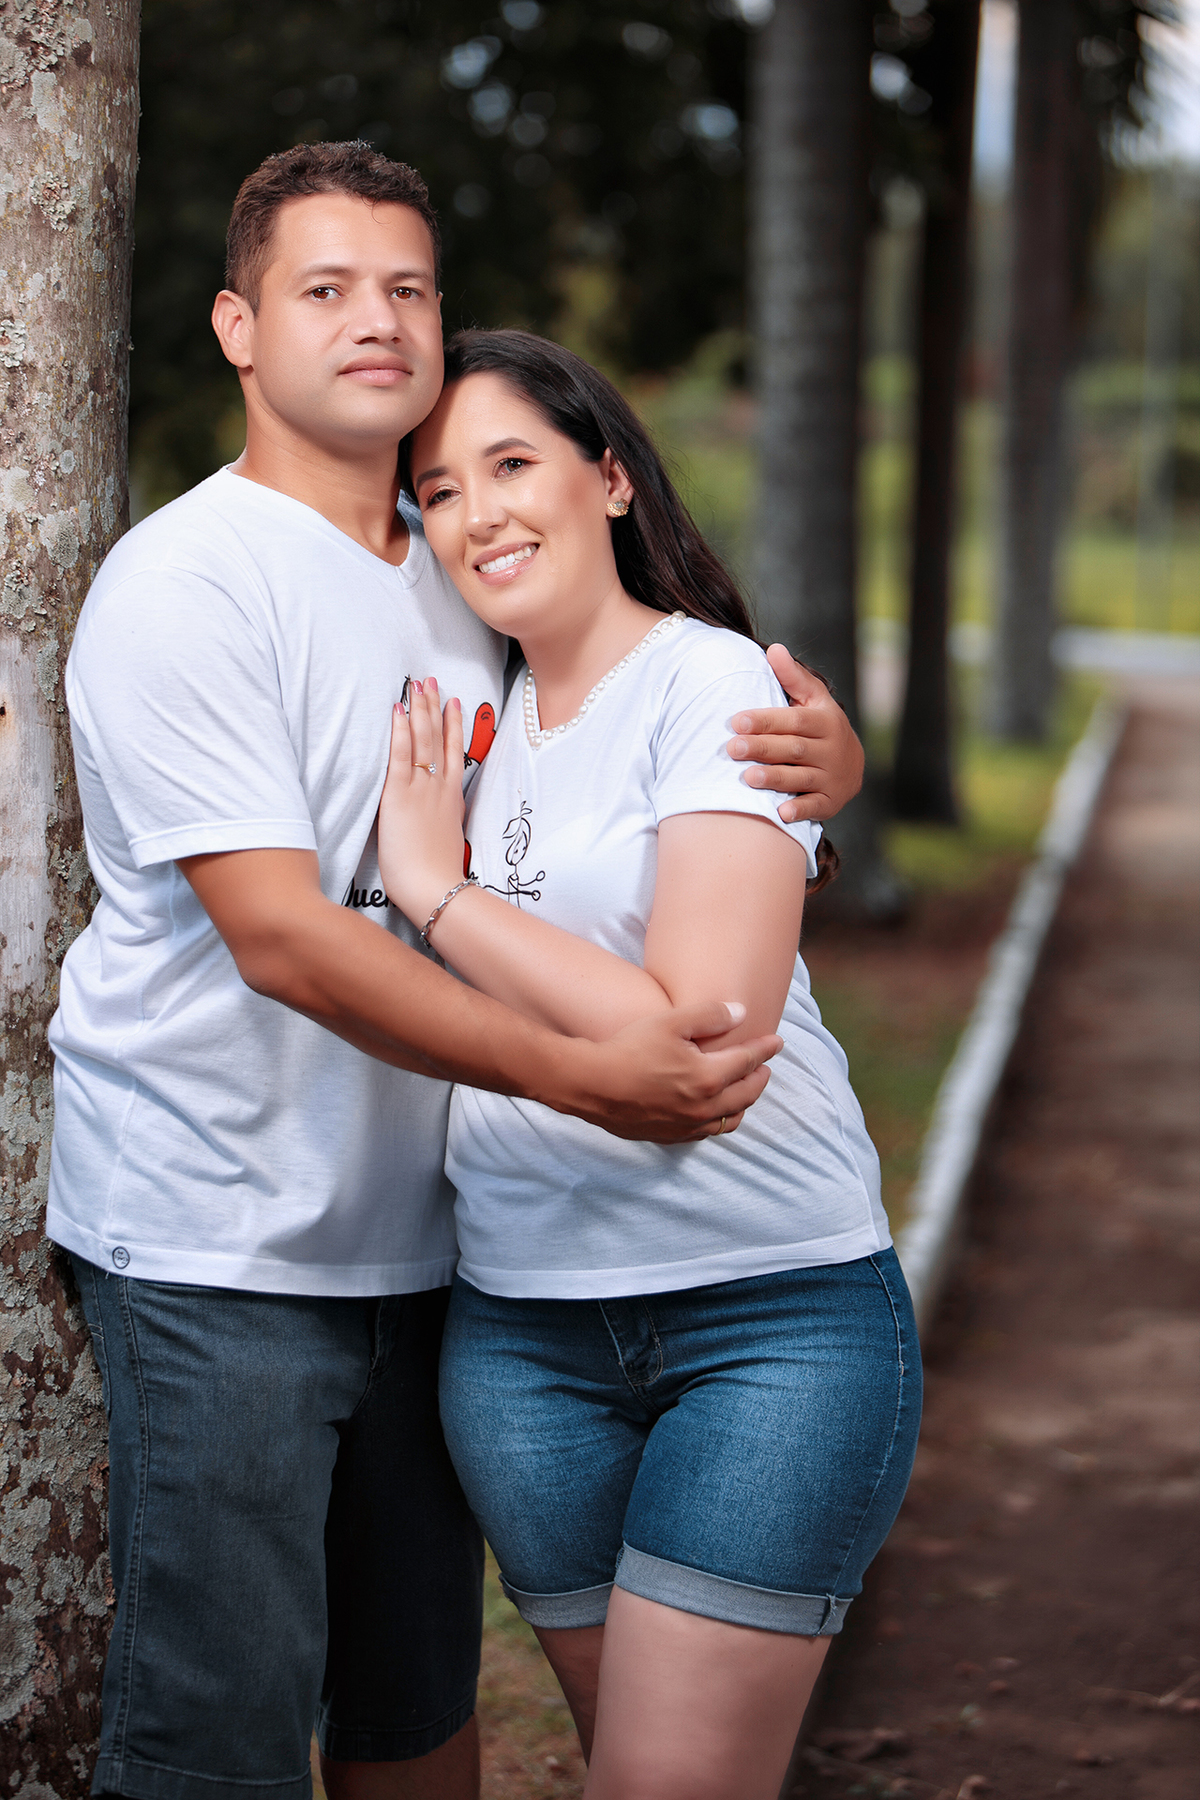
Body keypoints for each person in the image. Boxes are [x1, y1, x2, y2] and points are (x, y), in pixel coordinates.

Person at [47, 143, 865, 1800]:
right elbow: (284, 934)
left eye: (407, 287)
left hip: (439, 1258)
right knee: (219, 1731)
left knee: (414, 1712)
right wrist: (584, 1075)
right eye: (325, 289)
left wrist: (818, 782)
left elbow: (620, 766)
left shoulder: (462, 575)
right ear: (238, 328)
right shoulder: (189, 580)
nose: (377, 320)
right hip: (221, 1242)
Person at [376, 328, 922, 1800]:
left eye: (512, 463)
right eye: (441, 489)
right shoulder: (458, 714)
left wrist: (441, 896)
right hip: (522, 1340)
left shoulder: (711, 683)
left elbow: (701, 1037)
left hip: (768, 1318)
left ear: (611, 477)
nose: (479, 513)